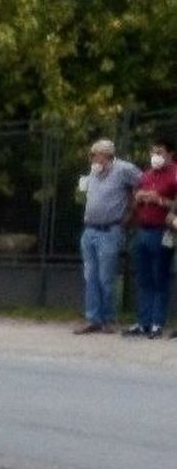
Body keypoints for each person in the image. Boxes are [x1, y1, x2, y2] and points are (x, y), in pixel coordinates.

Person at [76, 139, 142, 335]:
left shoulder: (123, 169)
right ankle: (93, 318)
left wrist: (132, 211)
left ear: (106, 155)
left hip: (110, 230)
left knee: (106, 278)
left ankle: (108, 319)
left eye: (94, 154)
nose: (92, 158)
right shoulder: (94, 172)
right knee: (91, 277)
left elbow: (143, 183)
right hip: (90, 230)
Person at [124, 140, 177, 339]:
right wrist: (138, 198)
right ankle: (143, 321)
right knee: (144, 278)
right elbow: (135, 199)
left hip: (162, 231)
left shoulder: (174, 174)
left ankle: (157, 322)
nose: (156, 156)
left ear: (169, 154)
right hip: (143, 230)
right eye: (153, 152)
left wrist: (160, 200)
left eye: (160, 152)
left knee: (159, 277)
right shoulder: (146, 175)